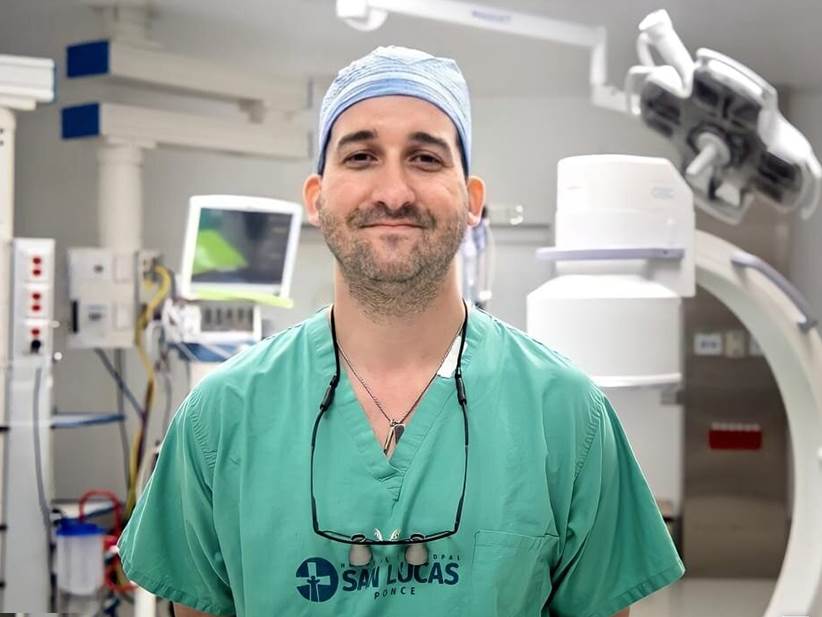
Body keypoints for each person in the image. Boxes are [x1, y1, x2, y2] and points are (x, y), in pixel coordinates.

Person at [118, 46, 684, 617]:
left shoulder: (565, 413)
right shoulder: (220, 417)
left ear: (472, 202)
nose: (394, 192)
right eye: (361, 156)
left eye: (426, 158)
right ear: (317, 198)